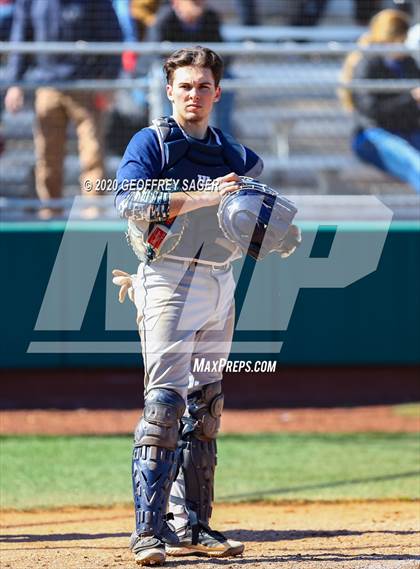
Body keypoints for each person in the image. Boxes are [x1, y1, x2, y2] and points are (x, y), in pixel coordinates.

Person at [114, 46, 263, 566]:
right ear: (169, 90)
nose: (193, 94)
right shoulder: (152, 142)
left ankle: (194, 525)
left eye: (203, 86)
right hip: (169, 278)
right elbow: (127, 200)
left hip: (220, 280)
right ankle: (148, 533)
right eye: (184, 86)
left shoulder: (232, 152)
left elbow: (256, 204)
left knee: (206, 407)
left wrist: (268, 228)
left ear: (217, 93)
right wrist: (203, 195)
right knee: (164, 407)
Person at [4, 0, 122, 216]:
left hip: (86, 85)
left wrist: (107, 79)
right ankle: (50, 211)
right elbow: (21, 36)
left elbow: (112, 34)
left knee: (93, 153)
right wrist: (15, 83)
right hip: (47, 84)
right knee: (48, 154)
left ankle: (93, 213)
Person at [340, 9, 420, 193]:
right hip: (373, 134)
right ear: (389, 38)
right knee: (415, 163)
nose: (404, 45)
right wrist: (411, 99)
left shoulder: (408, 63)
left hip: (408, 130)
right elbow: (372, 111)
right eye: (401, 39)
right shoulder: (368, 64)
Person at [148, 0, 235, 135]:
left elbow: (222, 54)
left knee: (227, 78)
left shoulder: (210, 17)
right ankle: (167, 133)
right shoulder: (165, 18)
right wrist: (185, 68)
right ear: (177, 2)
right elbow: (155, 56)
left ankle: (221, 136)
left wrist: (203, 65)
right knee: (161, 77)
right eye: (193, 1)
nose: (199, 3)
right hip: (172, 74)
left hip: (201, 73)